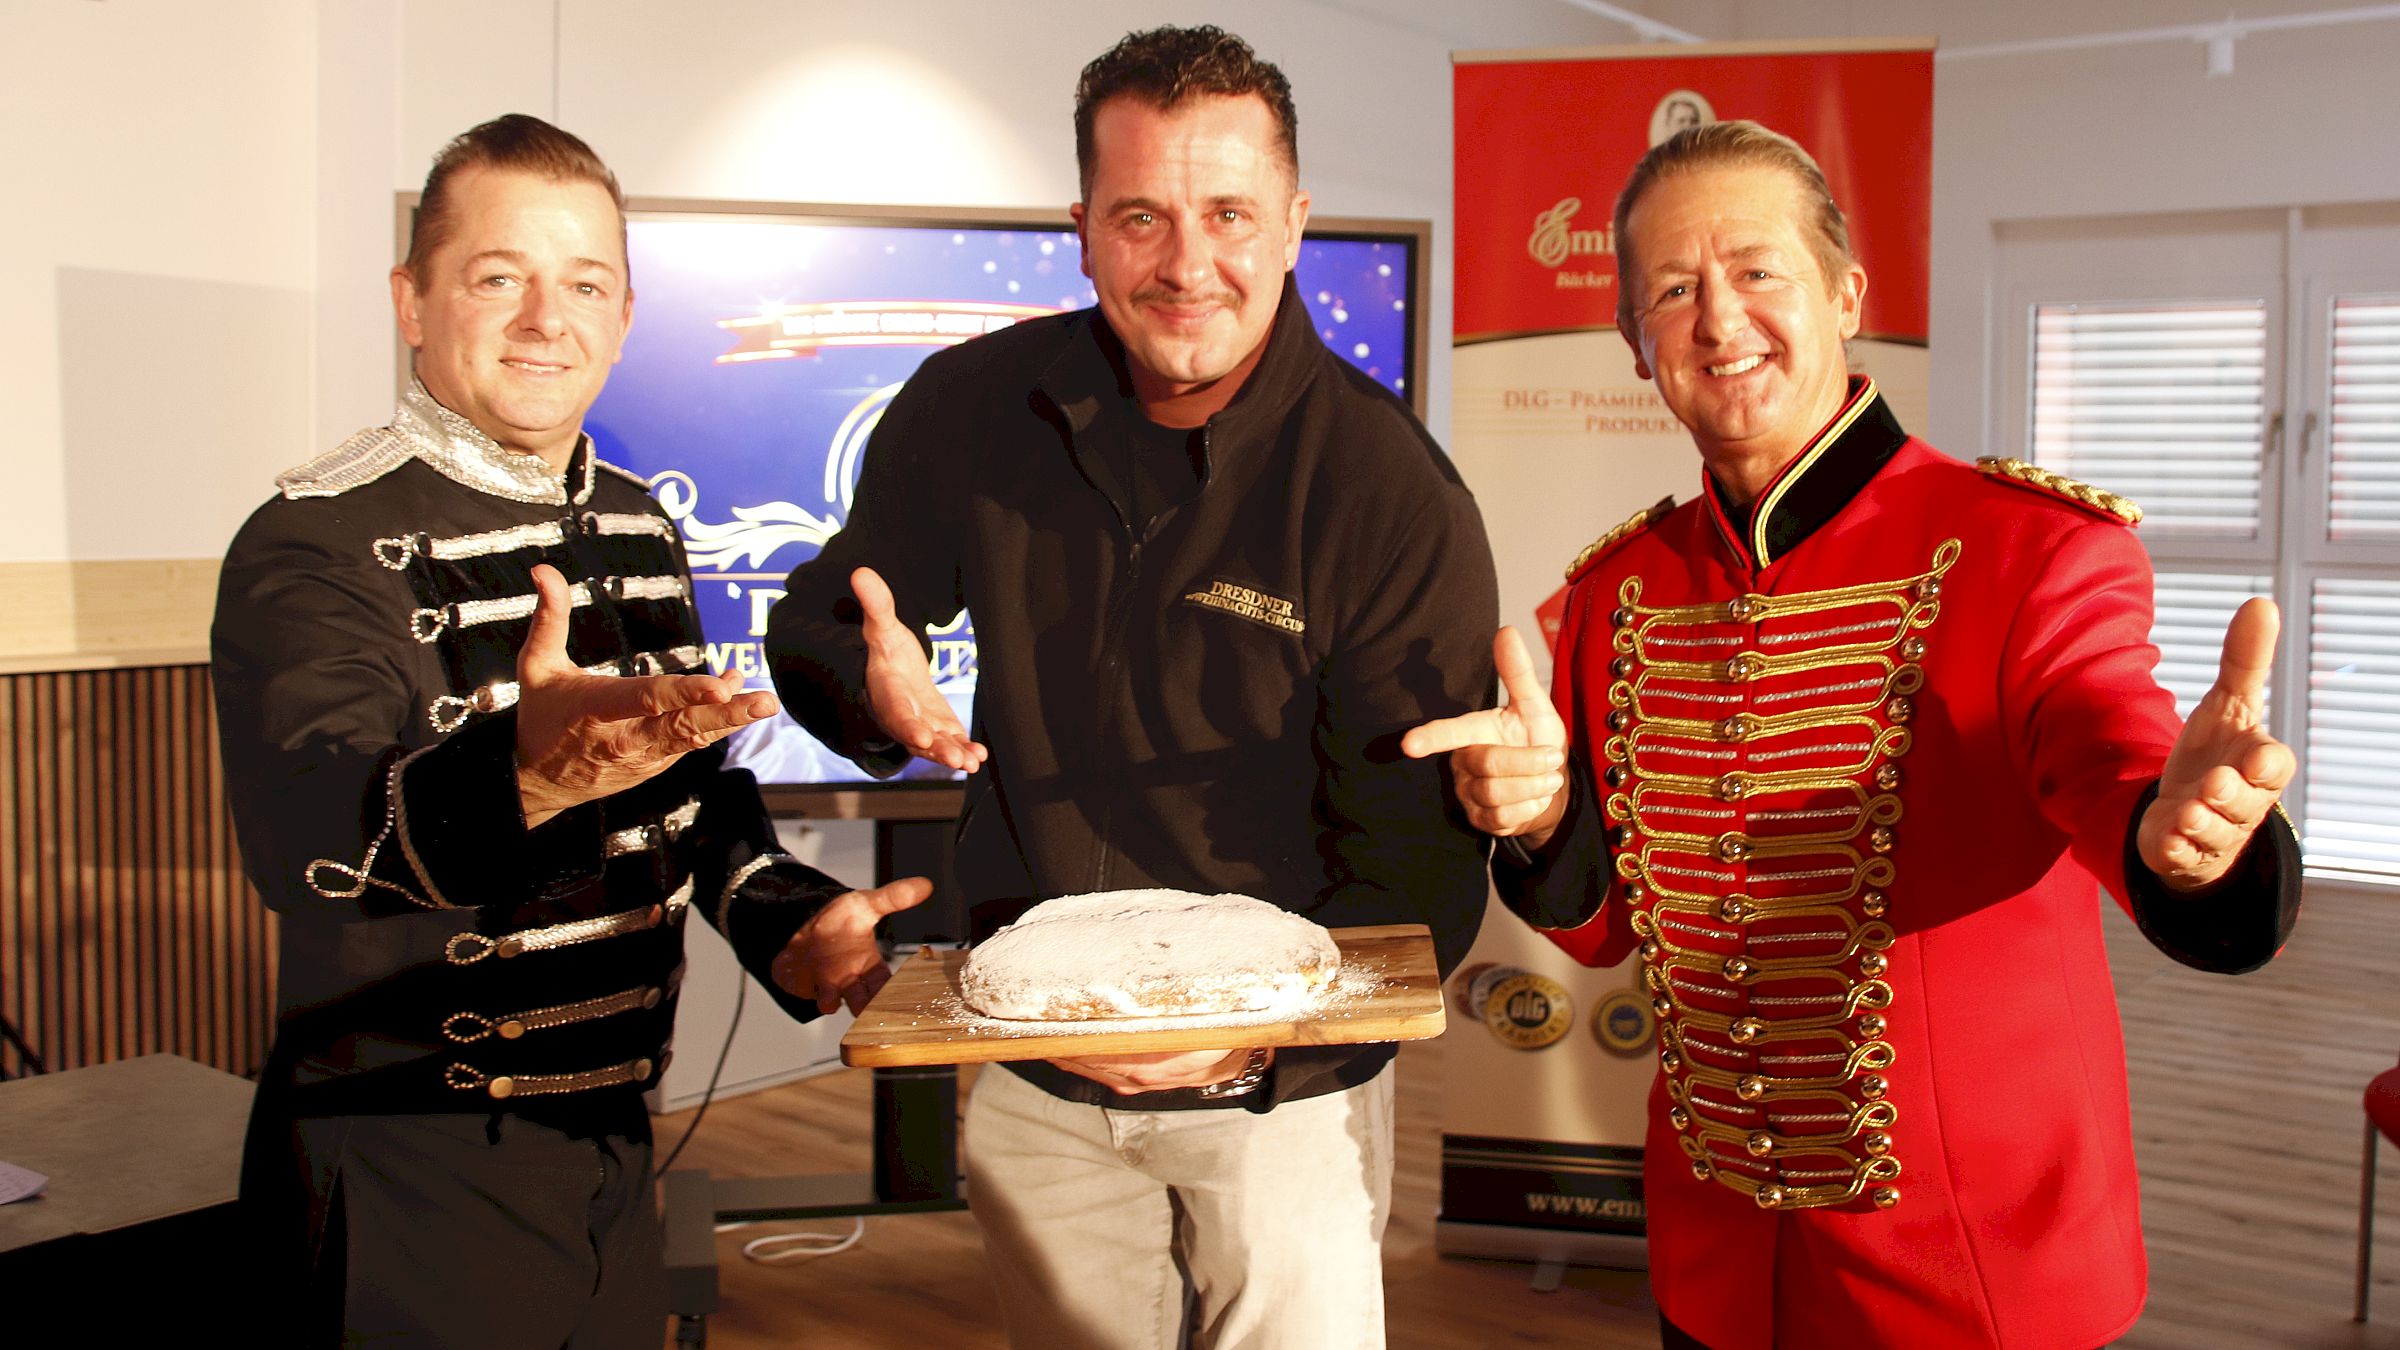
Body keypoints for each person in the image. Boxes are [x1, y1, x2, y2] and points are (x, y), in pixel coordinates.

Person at [1403, 120, 2301, 1350]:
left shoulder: (2031, 552)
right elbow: (1609, 932)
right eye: (1673, 290)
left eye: (1759, 271)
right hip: (1717, 1263)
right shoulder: (1616, 594)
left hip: (1973, 1269)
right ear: (1633, 345)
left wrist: (2187, 838)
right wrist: (1548, 817)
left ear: (1845, 295)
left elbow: (2112, 757)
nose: (1720, 321)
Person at [765, 25, 1497, 1349]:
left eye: (1227, 212)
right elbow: (829, 624)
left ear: (1294, 223)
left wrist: (1247, 1047)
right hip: (1038, 1074)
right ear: (1084, 229)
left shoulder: (1389, 491)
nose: (1186, 261)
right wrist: (877, 693)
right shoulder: (971, 408)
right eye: (1141, 216)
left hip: (1286, 1087)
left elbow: (1420, 864)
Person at [212, 113, 926, 1349]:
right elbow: (308, 839)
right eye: (500, 278)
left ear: (625, 313)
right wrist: (525, 775)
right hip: (404, 1166)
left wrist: (789, 920)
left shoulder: (639, 522)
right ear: (412, 301)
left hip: (609, 1149)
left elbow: (687, 796)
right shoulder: (312, 540)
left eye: (585, 283)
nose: (549, 319)